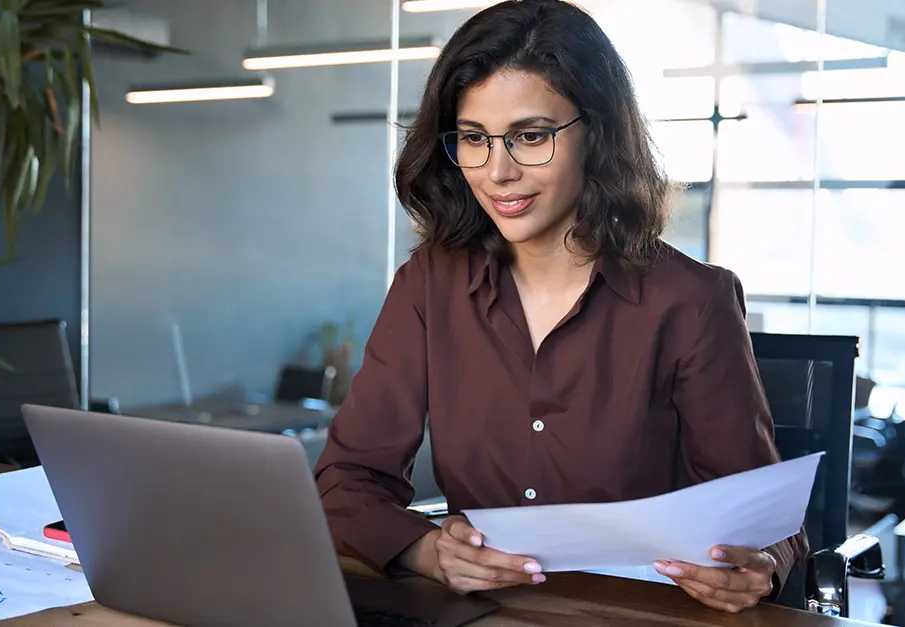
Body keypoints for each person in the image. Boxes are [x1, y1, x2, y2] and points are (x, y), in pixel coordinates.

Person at [313, 0, 807, 614]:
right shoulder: (427, 286)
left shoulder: (691, 301)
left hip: (641, 613)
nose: (498, 172)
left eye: (530, 137)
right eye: (473, 139)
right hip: (484, 613)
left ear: (595, 132)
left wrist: (758, 565)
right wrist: (425, 551)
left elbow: (767, 522)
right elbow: (347, 479)